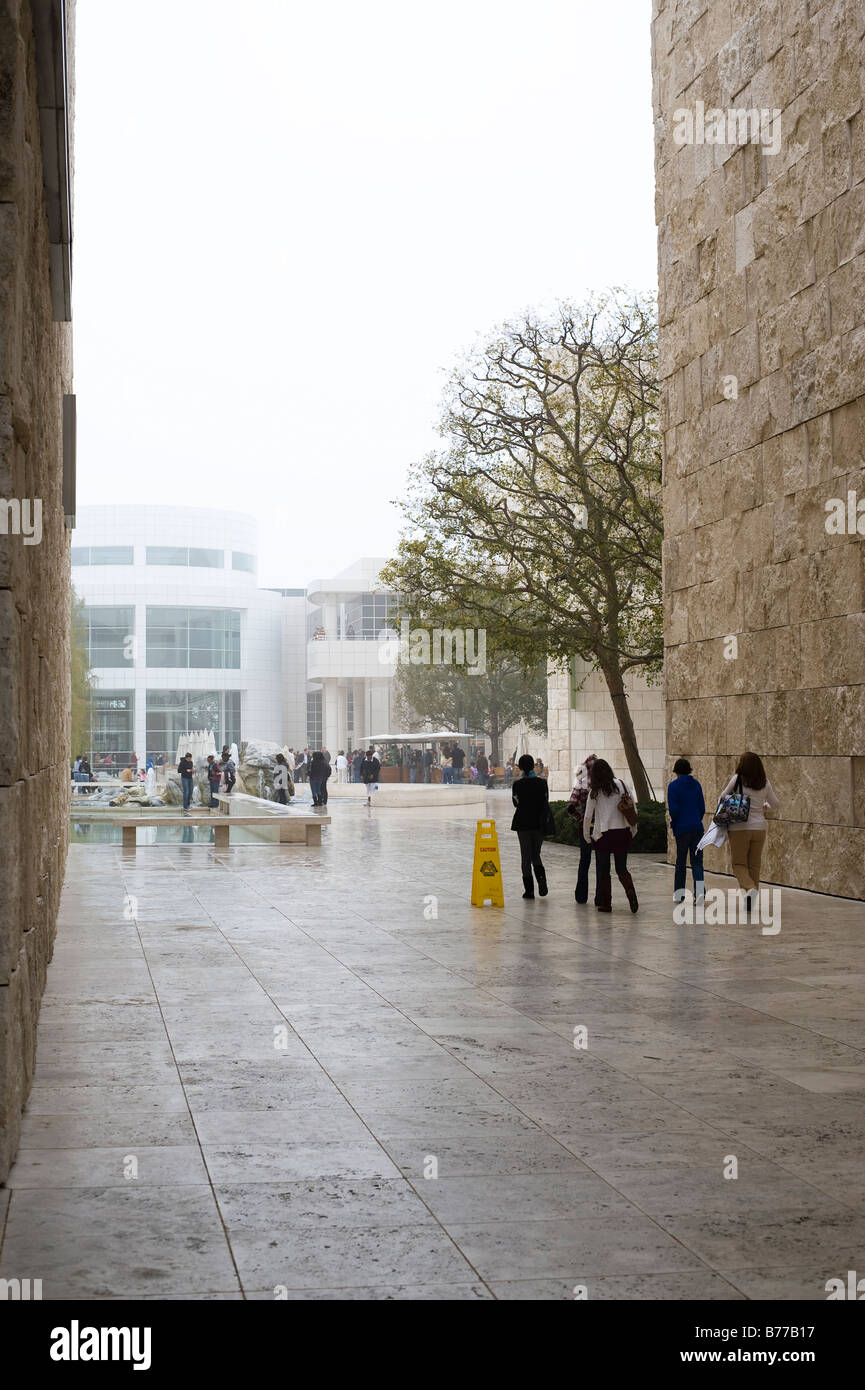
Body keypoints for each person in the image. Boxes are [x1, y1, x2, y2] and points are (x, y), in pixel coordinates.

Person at [720, 752, 780, 912]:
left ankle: (750, 888)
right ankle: (750, 900)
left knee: (739, 863)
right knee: (754, 865)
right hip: (759, 828)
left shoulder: (737, 779)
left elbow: (722, 797)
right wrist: (764, 807)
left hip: (739, 827)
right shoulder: (765, 782)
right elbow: (776, 803)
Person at [586, 759, 638, 913]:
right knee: (621, 868)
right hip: (622, 832)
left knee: (604, 871)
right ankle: (631, 894)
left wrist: (587, 837)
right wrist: (633, 830)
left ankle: (606, 904)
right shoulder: (622, 785)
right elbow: (633, 807)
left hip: (604, 835)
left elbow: (588, 817)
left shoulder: (595, 792)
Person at [510, 753, 550, 899]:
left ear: (520, 767)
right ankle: (542, 880)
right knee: (535, 854)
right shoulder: (542, 783)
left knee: (525, 857)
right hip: (538, 823)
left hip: (523, 824)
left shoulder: (517, 785)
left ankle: (529, 891)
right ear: (533, 765)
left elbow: (516, 803)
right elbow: (545, 801)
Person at [667, 757, 706, 903]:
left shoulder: (673, 786)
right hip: (697, 828)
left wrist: (675, 823)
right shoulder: (696, 784)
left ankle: (679, 894)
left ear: (676, 771)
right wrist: (696, 819)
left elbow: (674, 810)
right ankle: (700, 893)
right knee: (697, 863)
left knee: (681, 862)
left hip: (682, 829)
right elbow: (702, 808)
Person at [566, 753, 599, 906]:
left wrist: (580, 818)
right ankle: (601, 897)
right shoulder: (604, 783)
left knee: (584, 861)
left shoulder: (581, 782)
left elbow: (571, 806)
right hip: (601, 828)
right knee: (601, 862)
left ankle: (581, 896)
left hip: (585, 827)